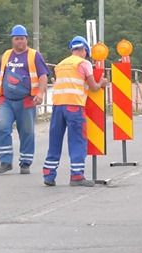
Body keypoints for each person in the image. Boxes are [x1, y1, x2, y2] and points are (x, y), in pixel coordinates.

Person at [42, 36, 108, 187]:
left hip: (58, 106)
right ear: (84, 50)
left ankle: (49, 174)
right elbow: (93, 87)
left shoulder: (60, 65)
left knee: (55, 140)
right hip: (74, 106)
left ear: (72, 49)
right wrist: (102, 83)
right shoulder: (83, 63)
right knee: (77, 140)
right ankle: (77, 175)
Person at [0, 24, 49, 175]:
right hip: (7, 101)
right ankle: (5, 161)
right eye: (16, 39)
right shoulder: (6, 56)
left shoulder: (34, 55)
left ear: (26, 39)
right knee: (1, 126)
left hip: (27, 100)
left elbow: (43, 76)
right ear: (12, 40)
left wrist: (41, 93)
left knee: (27, 132)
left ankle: (25, 163)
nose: (19, 42)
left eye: (22, 39)